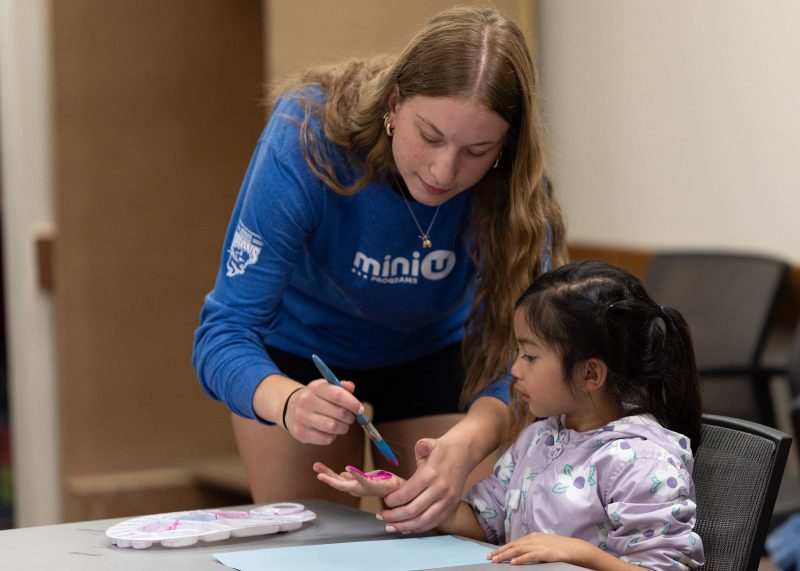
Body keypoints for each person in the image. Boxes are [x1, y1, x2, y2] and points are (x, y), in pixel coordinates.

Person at [192, 5, 566, 533]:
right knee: (306, 545)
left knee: (450, 534)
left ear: (505, 147)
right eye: (430, 136)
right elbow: (222, 333)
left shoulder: (515, 183)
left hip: (437, 353)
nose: (444, 171)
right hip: (302, 357)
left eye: (477, 151)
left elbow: (535, 352)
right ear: (394, 104)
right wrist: (288, 401)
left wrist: (475, 435)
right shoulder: (307, 136)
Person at [315, 260, 705, 570]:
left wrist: (578, 554)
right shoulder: (538, 437)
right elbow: (485, 524)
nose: (515, 369)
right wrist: (406, 494)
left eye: (530, 356)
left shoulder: (641, 460)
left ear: (591, 373)